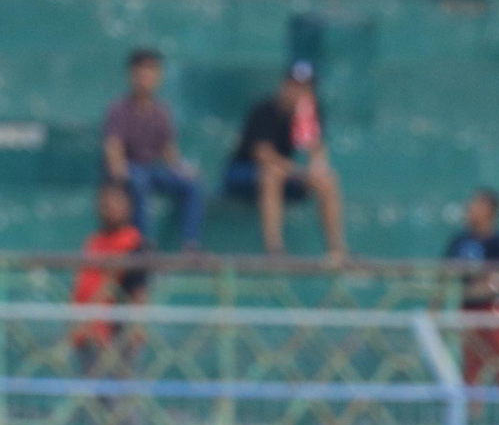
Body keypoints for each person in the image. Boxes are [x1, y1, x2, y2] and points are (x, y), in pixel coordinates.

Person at [224, 63, 347, 261]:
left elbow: (316, 148)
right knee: (272, 174)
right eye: (294, 85)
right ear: (283, 85)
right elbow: (262, 154)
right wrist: (300, 172)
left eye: (305, 87)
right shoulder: (264, 110)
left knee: (328, 179)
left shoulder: (307, 113)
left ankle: (337, 250)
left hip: (286, 173)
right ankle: (275, 249)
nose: (298, 92)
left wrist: (316, 170)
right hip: (243, 173)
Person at [101, 48, 203, 251]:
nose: (145, 78)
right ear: (132, 76)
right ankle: (144, 243)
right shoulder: (119, 109)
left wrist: (183, 169)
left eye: (151, 72)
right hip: (130, 169)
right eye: (141, 72)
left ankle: (191, 243)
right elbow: (114, 148)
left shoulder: (161, 111)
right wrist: (119, 175)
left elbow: (168, 150)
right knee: (139, 180)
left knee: (194, 185)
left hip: (152, 169)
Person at [444, 187, 499, 389]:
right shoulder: (459, 241)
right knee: (472, 367)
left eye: (477, 204)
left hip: (495, 310)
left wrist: (478, 288)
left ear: (490, 211)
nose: (471, 208)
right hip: (467, 311)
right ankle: (471, 413)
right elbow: (447, 275)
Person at [71, 181, 149, 372]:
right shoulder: (93, 242)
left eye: (114, 202)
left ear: (128, 206)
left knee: (116, 398)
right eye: (104, 202)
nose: (107, 207)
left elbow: (138, 293)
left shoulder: (134, 244)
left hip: (114, 339)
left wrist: (133, 334)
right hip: (86, 336)